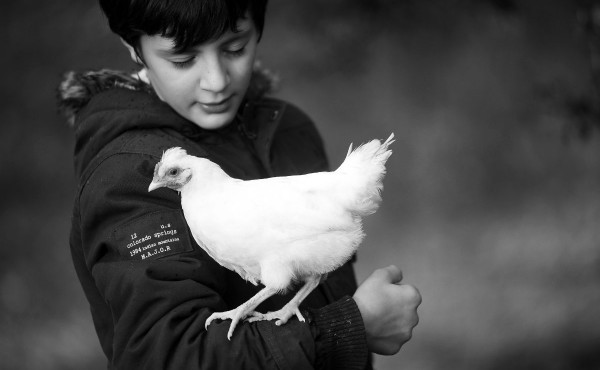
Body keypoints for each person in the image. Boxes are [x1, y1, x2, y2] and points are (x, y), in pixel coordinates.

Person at [58, 0, 421, 369]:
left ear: (259, 31)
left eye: (235, 48)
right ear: (134, 48)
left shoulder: (287, 131)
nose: (216, 81)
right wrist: (347, 328)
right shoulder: (126, 176)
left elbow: (322, 269)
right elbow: (167, 358)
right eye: (183, 59)